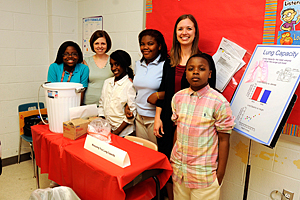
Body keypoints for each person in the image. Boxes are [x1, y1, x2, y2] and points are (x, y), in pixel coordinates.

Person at [153, 14, 216, 200]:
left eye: (189, 28)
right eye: (180, 29)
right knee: (169, 166)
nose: (184, 32)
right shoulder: (168, 61)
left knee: (188, 167)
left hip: (192, 124)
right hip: (167, 121)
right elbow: (163, 90)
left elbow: (210, 94)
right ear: (175, 33)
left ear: (195, 32)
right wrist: (158, 117)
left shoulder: (204, 61)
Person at [170, 53, 235, 200]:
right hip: (180, 170)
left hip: (203, 174)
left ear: (210, 74)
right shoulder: (178, 98)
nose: (195, 72)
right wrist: (173, 160)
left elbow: (224, 140)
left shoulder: (219, 102)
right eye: (190, 68)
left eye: (201, 69)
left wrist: (220, 173)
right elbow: (177, 130)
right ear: (185, 73)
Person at [132, 29, 168, 145]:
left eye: (150, 44)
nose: (145, 47)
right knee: (142, 153)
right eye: (142, 44)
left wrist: (157, 95)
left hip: (156, 120)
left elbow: (173, 91)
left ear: (159, 46)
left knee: (157, 154)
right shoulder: (138, 64)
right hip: (139, 118)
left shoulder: (165, 65)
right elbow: (136, 90)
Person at [98, 50, 136, 137]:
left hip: (124, 133)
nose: (113, 68)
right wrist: (105, 126)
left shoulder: (129, 85)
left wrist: (116, 132)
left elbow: (131, 113)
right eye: (111, 65)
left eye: (117, 64)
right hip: (108, 130)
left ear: (124, 64)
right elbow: (101, 104)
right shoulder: (107, 82)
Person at [83, 30, 114, 105]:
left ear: (108, 45)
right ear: (92, 45)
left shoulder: (113, 61)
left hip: (108, 104)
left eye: (103, 43)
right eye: (96, 43)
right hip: (88, 103)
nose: (100, 46)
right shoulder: (86, 62)